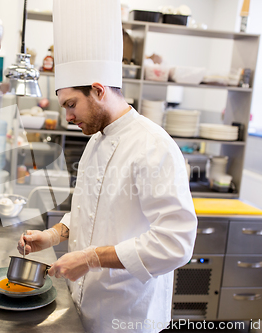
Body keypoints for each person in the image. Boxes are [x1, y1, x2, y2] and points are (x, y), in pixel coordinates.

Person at [17, 1, 197, 332]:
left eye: (72, 104)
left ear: (98, 90)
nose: (67, 117)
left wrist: (90, 258)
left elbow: (177, 242)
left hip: (127, 315)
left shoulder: (153, 147)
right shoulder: (95, 141)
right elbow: (90, 211)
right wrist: (52, 235)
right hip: (82, 304)